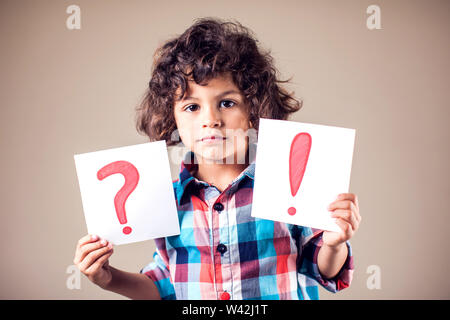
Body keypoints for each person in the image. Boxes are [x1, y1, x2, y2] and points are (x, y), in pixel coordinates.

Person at [73, 17, 361, 300]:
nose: (210, 119)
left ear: (254, 109)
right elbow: (164, 285)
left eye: (227, 103)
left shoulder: (285, 185)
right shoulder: (168, 201)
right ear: (171, 116)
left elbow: (323, 267)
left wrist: (335, 244)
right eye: (191, 107)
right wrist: (109, 279)